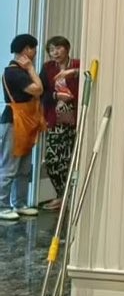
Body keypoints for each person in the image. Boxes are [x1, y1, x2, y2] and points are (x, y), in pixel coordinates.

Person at [0, 34, 45, 223]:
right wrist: (32, 69)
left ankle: (19, 203)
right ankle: (2, 206)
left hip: (26, 122)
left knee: (24, 167)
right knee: (10, 166)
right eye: (34, 48)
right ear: (27, 49)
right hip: (13, 122)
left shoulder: (22, 71)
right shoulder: (14, 72)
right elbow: (38, 89)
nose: (35, 52)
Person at [40, 36, 80, 210]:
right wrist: (57, 95)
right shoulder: (47, 68)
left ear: (67, 48)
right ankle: (62, 195)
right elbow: (42, 93)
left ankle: (69, 198)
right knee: (52, 160)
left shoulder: (77, 64)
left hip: (74, 117)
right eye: (51, 50)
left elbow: (86, 75)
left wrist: (71, 72)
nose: (54, 52)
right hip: (55, 117)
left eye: (58, 48)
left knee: (69, 158)